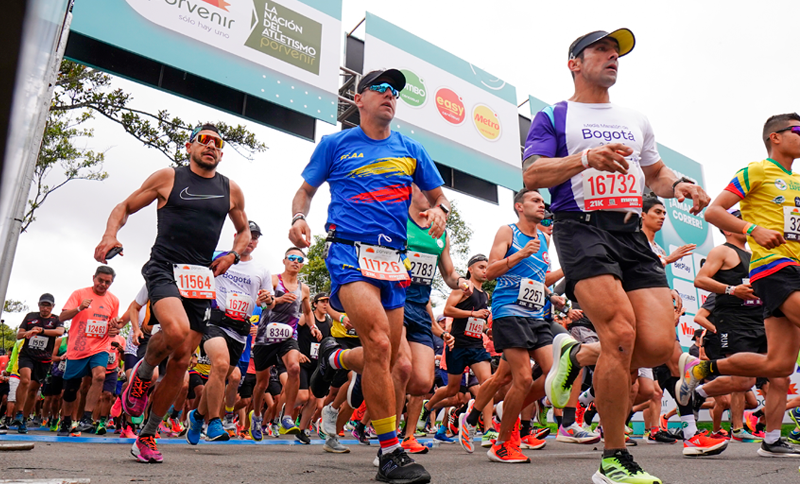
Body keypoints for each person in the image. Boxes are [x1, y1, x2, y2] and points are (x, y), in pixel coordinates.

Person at [522, 29, 710, 483]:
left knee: (657, 346)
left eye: (617, 52)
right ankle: (613, 459)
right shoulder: (555, 115)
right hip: (581, 228)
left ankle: (575, 356)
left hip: (631, 236)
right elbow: (533, 171)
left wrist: (679, 183)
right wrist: (585, 158)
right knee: (621, 334)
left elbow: (656, 172)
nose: (613, 58)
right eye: (602, 50)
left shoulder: (636, 118)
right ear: (574, 62)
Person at [290, 68, 446, 484]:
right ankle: (391, 453)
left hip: (394, 260)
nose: (389, 95)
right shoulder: (335, 144)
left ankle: (336, 357)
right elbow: (305, 189)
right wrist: (299, 217)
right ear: (358, 99)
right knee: (378, 341)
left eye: (395, 91)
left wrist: (439, 211)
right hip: (348, 252)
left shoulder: (411, 148)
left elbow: (439, 196)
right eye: (380, 88)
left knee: (394, 362)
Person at [94, 123, 250, 463]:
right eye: (204, 140)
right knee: (176, 331)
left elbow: (243, 232)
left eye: (218, 144)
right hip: (164, 267)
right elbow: (124, 206)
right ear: (189, 146)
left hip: (200, 278)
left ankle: (146, 435)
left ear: (221, 154)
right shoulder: (168, 177)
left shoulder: (231, 190)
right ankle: (144, 370)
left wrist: (232, 255)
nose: (211, 147)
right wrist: (110, 235)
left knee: (181, 361)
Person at [691, 112, 800, 457]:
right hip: (774, 268)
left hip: (795, 268)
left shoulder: (796, 181)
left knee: (779, 366)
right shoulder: (756, 170)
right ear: (775, 138)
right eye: (798, 130)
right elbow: (713, 211)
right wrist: (753, 230)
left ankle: (704, 370)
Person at [482, 188, 564, 462]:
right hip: (508, 311)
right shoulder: (507, 232)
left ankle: (508, 408)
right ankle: (502, 443)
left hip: (536, 314)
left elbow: (539, 279)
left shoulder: (543, 238)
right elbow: (490, 271)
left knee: (555, 376)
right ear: (519, 206)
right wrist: (518, 255)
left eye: (543, 202)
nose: (542, 205)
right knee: (523, 377)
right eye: (536, 201)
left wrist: (560, 284)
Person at [186, 220, 274, 444]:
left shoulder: (261, 270)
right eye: (248, 235)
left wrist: (267, 299)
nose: (251, 241)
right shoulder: (218, 255)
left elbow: (270, 301)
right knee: (221, 366)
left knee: (221, 375)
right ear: (237, 236)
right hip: (214, 320)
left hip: (240, 329)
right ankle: (215, 421)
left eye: (255, 237)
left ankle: (197, 417)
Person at [248, 247, 312, 443]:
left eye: (300, 260)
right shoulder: (274, 280)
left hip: (288, 336)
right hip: (266, 337)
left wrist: (314, 327)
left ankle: (286, 417)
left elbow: (308, 312)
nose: (296, 261)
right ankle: (257, 417)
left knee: (294, 367)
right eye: (292, 258)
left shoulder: (304, 289)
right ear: (284, 260)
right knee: (262, 384)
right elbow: (259, 302)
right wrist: (278, 299)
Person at [58, 266, 121, 437]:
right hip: (78, 348)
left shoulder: (113, 300)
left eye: (107, 282)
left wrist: (114, 331)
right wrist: (79, 308)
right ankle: (65, 420)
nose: (103, 284)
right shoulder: (79, 294)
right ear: (94, 278)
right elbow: (62, 317)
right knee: (71, 390)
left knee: (100, 376)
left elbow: (113, 327)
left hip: (100, 346)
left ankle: (86, 417)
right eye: (100, 280)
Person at [13, 293, 64, 433]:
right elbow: (18, 335)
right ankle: (18, 412)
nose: (45, 308)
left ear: (52, 307)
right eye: (43, 305)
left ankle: (23, 419)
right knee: (25, 380)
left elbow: (60, 332)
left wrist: (42, 331)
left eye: (48, 306)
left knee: (33, 390)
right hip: (27, 355)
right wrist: (28, 333)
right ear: (39, 305)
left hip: (44, 359)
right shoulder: (30, 317)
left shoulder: (56, 320)